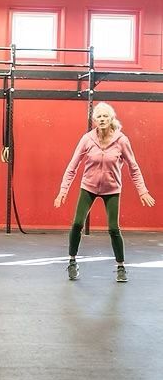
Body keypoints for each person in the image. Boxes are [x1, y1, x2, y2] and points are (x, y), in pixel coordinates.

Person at [54, 102, 155, 282]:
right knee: (77, 224)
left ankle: (121, 266)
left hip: (112, 189)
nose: (102, 119)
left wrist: (142, 191)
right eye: (98, 117)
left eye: (105, 116)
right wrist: (63, 190)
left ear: (111, 119)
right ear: (94, 120)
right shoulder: (87, 139)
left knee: (113, 228)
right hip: (89, 187)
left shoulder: (121, 140)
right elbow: (73, 165)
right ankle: (72, 261)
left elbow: (134, 167)